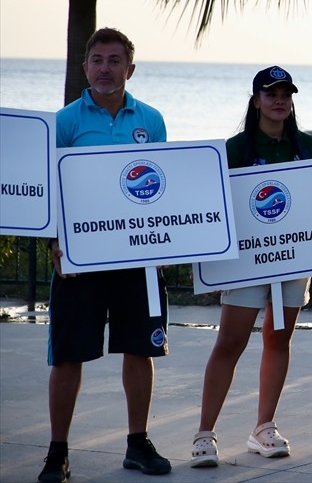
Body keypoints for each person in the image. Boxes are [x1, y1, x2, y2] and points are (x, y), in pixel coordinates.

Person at [41, 28, 170, 483]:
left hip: (136, 261)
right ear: (85, 68)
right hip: (79, 264)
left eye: (115, 60)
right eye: (97, 60)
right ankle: (57, 452)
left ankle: (138, 443)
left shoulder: (151, 121)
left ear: (129, 69)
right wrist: (55, 242)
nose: (105, 68)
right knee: (68, 356)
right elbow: (47, 193)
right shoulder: (64, 122)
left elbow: (162, 190)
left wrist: (168, 242)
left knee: (139, 350)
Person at [190, 66, 312, 468]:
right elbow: (214, 207)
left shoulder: (306, 145)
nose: (279, 100)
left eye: (286, 93)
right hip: (246, 260)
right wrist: (211, 261)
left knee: (279, 339)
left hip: (293, 260)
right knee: (230, 342)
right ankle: (204, 434)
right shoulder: (235, 148)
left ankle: (264, 427)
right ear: (256, 100)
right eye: (271, 93)